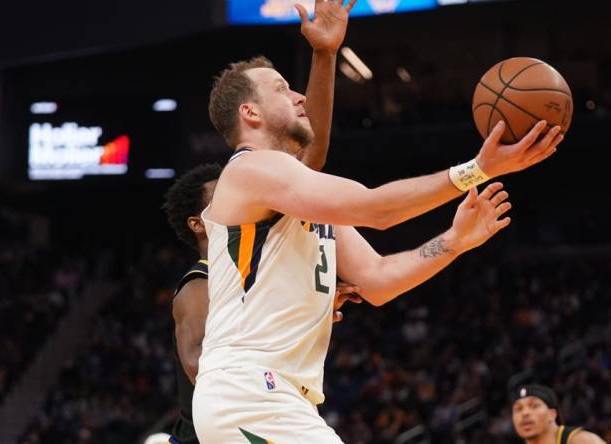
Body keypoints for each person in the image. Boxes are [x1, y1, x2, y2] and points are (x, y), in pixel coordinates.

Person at [192, 0, 564, 441]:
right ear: (249, 113)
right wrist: (476, 170)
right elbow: (377, 210)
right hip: (250, 392)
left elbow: (378, 279)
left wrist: (456, 241)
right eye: (280, 88)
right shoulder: (250, 169)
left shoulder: (299, 202)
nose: (297, 96)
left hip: (280, 397)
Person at [160, 1, 360, 441]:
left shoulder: (255, 263)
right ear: (200, 222)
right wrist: (252, 384)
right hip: (224, 422)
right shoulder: (199, 282)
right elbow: (196, 361)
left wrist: (301, 304)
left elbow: (310, 158)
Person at [511, 384, 605, 444]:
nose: (525, 413)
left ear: (552, 414)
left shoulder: (580, 440)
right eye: (518, 409)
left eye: (534, 406)